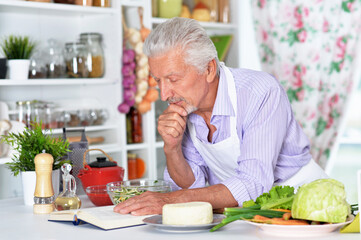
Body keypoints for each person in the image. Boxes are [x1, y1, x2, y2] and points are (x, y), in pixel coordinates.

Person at [114, 17, 328, 216]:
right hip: (247, 212)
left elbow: (253, 182)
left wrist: (169, 200)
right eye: (157, 80)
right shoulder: (187, 107)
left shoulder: (260, 93)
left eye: (173, 79)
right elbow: (191, 185)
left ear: (208, 69)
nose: (164, 94)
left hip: (308, 204)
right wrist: (172, 148)